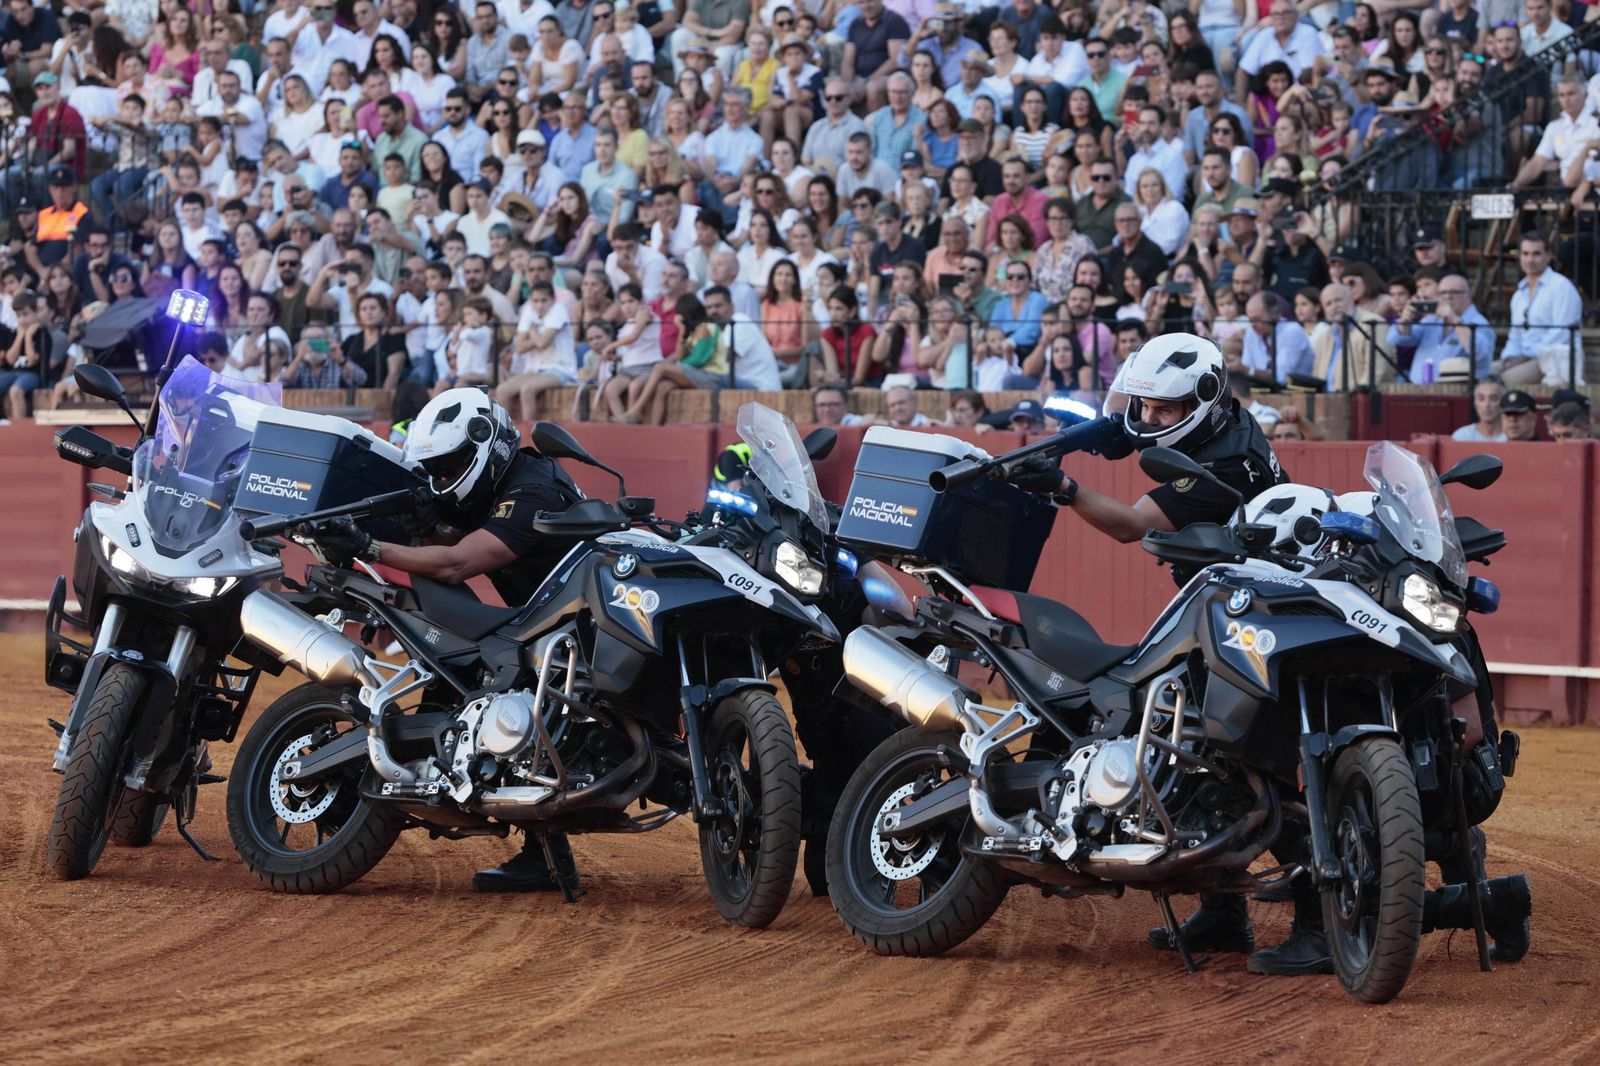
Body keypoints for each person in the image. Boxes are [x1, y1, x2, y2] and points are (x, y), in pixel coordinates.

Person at [1004, 333, 1325, 974]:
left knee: (1257, 767)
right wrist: (1116, 429)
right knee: (1205, 758)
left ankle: (1317, 922)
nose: (1150, 421)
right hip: (1236, 614)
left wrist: (1063, 489)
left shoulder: (1224, 467)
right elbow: (1150, 431)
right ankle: (1224, 916)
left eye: (1164, 410)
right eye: (1146, 407)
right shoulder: (1225, 422)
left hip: (1250, 626)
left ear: (1204, 401)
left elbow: (1130, 524)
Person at [305, 389, 585, 895]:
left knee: (494, 691)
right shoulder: (502, 482)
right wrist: (421, 523)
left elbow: (458, 561)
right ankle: (529, 848)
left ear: (487, 442)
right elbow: (448, 539)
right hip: (546, 629)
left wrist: (370, 545)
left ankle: (403, 787)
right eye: (437, 466)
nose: (444, 475)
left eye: (452, 462)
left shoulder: (532, 489)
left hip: (559, 632)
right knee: (476, 696)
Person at [1452, 376, 1508, 442]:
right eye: (1481, 399)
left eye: (1493, 398)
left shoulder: (1511, 437)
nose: (1487, 404)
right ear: (1474, 402)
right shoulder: (1463, 436)